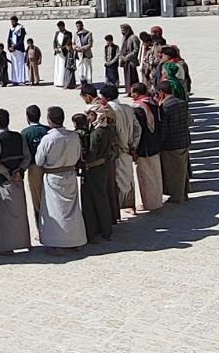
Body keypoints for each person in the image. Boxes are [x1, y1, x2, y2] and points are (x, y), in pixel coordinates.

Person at [33, 106, 88, 254]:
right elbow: (78, 155)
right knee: (72, 210)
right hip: (70, 174)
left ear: (50, 121)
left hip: (53, 177)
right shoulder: (74, 136)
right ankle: (76, 241)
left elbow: (38, 160)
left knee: (55, 210)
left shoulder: (48, 139)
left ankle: (57, 244)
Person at [0, 109, 31, 255]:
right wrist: (19, 170)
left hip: (2, 181)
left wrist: (7, 173)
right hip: (18, 179)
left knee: (3, 216)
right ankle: (23, 242)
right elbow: (27, 156)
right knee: (20, 213)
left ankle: (7, 248)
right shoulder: (19, 136)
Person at [74, 108, 116, 243]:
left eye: (90, 114)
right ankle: (106, 229)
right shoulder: (107, 129)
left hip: (92, 170)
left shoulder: (95, 134)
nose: (88, 117)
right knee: (102, 199)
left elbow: (91, 155)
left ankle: (93, 231)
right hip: (103, 168)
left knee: (89, 201)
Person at [101, 85, 141, 211]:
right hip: (129, 149)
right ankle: (131, 205)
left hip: (118, 151)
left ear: (106, 98)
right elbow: (137, 128)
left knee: (119, 180)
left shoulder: (108, 111)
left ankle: (124, 205)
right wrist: (134, 145)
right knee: (129, 178)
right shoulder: (128, 108)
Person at [128, 83, 165, 211]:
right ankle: (157, 201)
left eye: (132, 92)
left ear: (137, 93)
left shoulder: (138, 108)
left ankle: (150, 203)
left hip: (145, 147)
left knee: (146, 177)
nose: (131, 95)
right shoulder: (153, 103)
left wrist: (134, 147)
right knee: (156, 175)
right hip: (155, 144)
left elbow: (138, 130)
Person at [157, 83, 192, 203]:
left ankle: (177, 196)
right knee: (183, 169)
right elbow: (189, 120)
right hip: (184, 140)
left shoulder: (165, 107)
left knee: (174, 172)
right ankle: (185, 192)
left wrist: (159, 143)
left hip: (171, 143)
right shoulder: (182, 103)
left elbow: (163, 127)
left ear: (161, 92)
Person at [20, 105, 49, 216]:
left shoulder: (25, 133)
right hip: (49, 166)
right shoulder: (48, 130)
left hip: (34, 168)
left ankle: (40, 221)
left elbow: (24, 153)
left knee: (37, 198)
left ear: (27, 117)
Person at [52, 21, 74, 89]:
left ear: (63, 26)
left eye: (60, 27)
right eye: (58, 27)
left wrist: (61, 48)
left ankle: (63, 82)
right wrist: (55, 48)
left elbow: (68, 43)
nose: (59, 29)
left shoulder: (68, 33)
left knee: (62, 67)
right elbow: (54, 42)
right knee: (57, 67)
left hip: (64, 52)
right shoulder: (57, 33)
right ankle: (57, 81)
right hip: (58, 53)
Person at [7, 16, 28, 85]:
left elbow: (21, 40)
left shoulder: (21, 28)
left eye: (13, 22)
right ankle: (15, 80)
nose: (12, 23)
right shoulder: (11, 29)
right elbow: (9, 38)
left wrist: (15, 47)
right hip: (12, 50)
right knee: (14, 65)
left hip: (19, 49)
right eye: (11, 22)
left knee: (20, 64)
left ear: (16, 21)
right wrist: (9, 47)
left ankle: (21, 80)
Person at [120, 24, 140, 89]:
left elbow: (136, 49)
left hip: (131, 60)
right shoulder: (124, 38)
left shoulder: (133, 37)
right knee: (127, 77)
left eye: (123, 30)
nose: (122, 32)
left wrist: (128, 56)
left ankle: (135, 90)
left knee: (132, 77)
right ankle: (128, 90)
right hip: (124, 60)